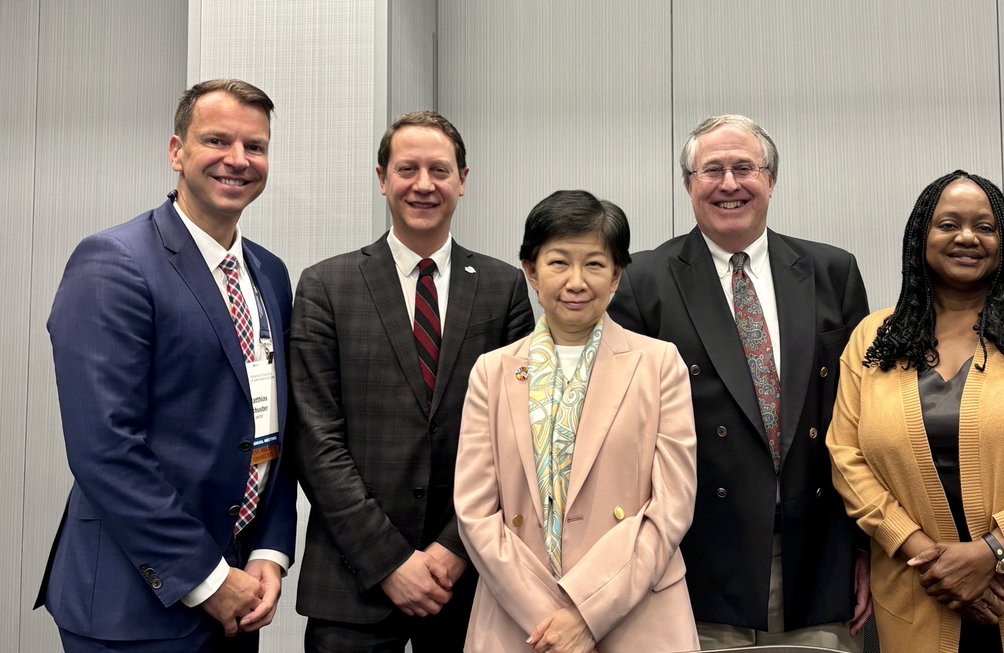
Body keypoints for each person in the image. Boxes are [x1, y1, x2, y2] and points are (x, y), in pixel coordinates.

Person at [35, 79, 296, 652]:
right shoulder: (114, 263)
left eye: (255, 146)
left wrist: (268, 554)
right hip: (136, 606)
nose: (238, 159)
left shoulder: (270, 274)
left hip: (240, 594)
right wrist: (207, 578)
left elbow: (273, 429)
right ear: (176, 151)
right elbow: (105, 448)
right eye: (217, 140)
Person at [826, 170, 1004, 651]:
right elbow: (846, 460)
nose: (967, 237)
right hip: (922, 595)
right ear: (922, 237)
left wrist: (993, 552)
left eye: (984, 226)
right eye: (948, 224)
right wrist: (930, 558)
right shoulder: (873, 341)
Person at [608, 114, 871, 651]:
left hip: (816, 560)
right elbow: (624, 438)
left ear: (771, 180)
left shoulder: (832, 272)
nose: (730, 184)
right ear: (688, 186)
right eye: (712, 170)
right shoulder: (642, 282)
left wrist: (864, 551)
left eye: (745, 168)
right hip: (695, 563)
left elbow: (861, 422)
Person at [289, 110, 534, 651]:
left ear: (463, 181)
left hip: (467, 583)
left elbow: (515, 438)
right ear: (382, 178)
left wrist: (452, 549)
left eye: (440, 170)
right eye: (407, 169)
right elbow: (315, 440)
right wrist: (389, 561)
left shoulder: (504, 289)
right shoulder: (326, 287)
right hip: (352, 582)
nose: (423, 185)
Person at [455, 189, 699, 653]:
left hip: (636, 612)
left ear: (616, 276)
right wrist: (551, 620)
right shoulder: (492, 371)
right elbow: (475, 513)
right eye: (558, 262)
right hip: (521, 619)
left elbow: (672, 507)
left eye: (594, 264)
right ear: (530, 271)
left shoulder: (659, 363)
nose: (576, 281)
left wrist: (588, 612)